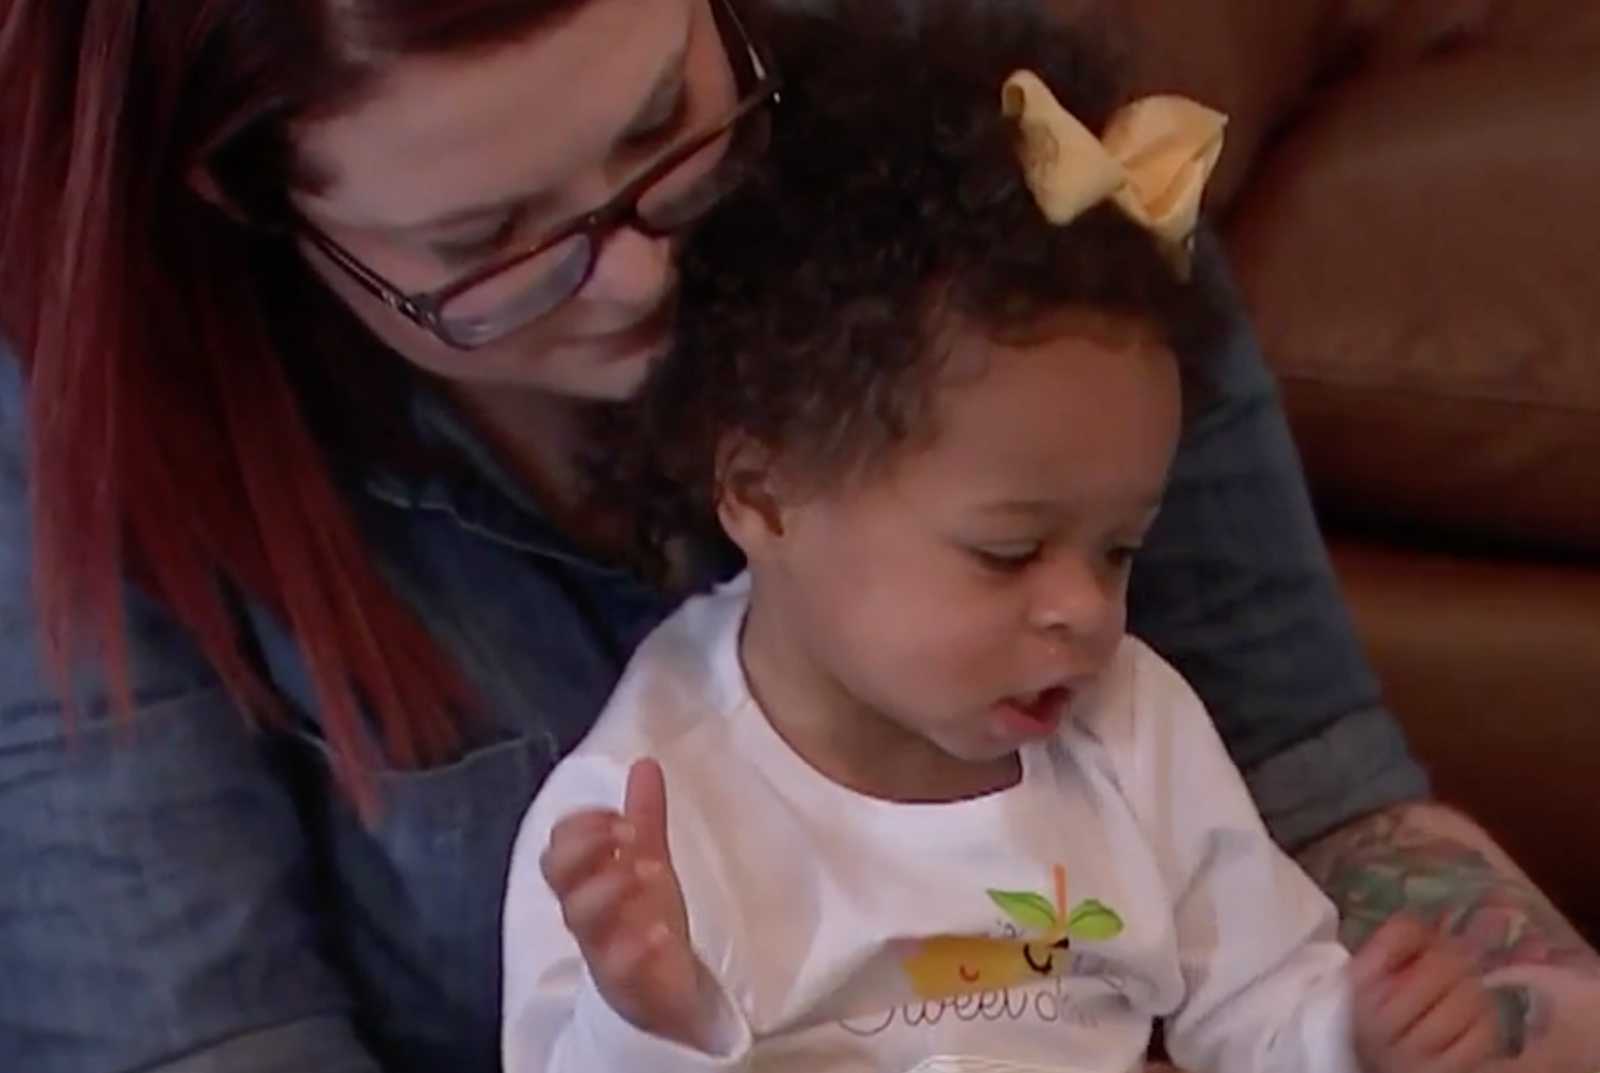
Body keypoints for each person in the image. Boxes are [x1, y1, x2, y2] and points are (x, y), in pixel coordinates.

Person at [0, 0, 1592, 1071]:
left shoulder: (1017, 208)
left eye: (659, 135)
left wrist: (1416, 1020)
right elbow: (194, 1038)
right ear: (254, 213)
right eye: (485, 246)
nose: (634, 284)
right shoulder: (89, 429)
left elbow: (1312, 818)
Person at [499, 12, 1496, 1071]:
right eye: (1008, 553)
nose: (1084, 610)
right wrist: (649, 1021)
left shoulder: (1133, 726)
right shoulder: (646, 805)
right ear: (764, 494)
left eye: (1118, 551)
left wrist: (1349, 1032)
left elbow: (1257, 992)